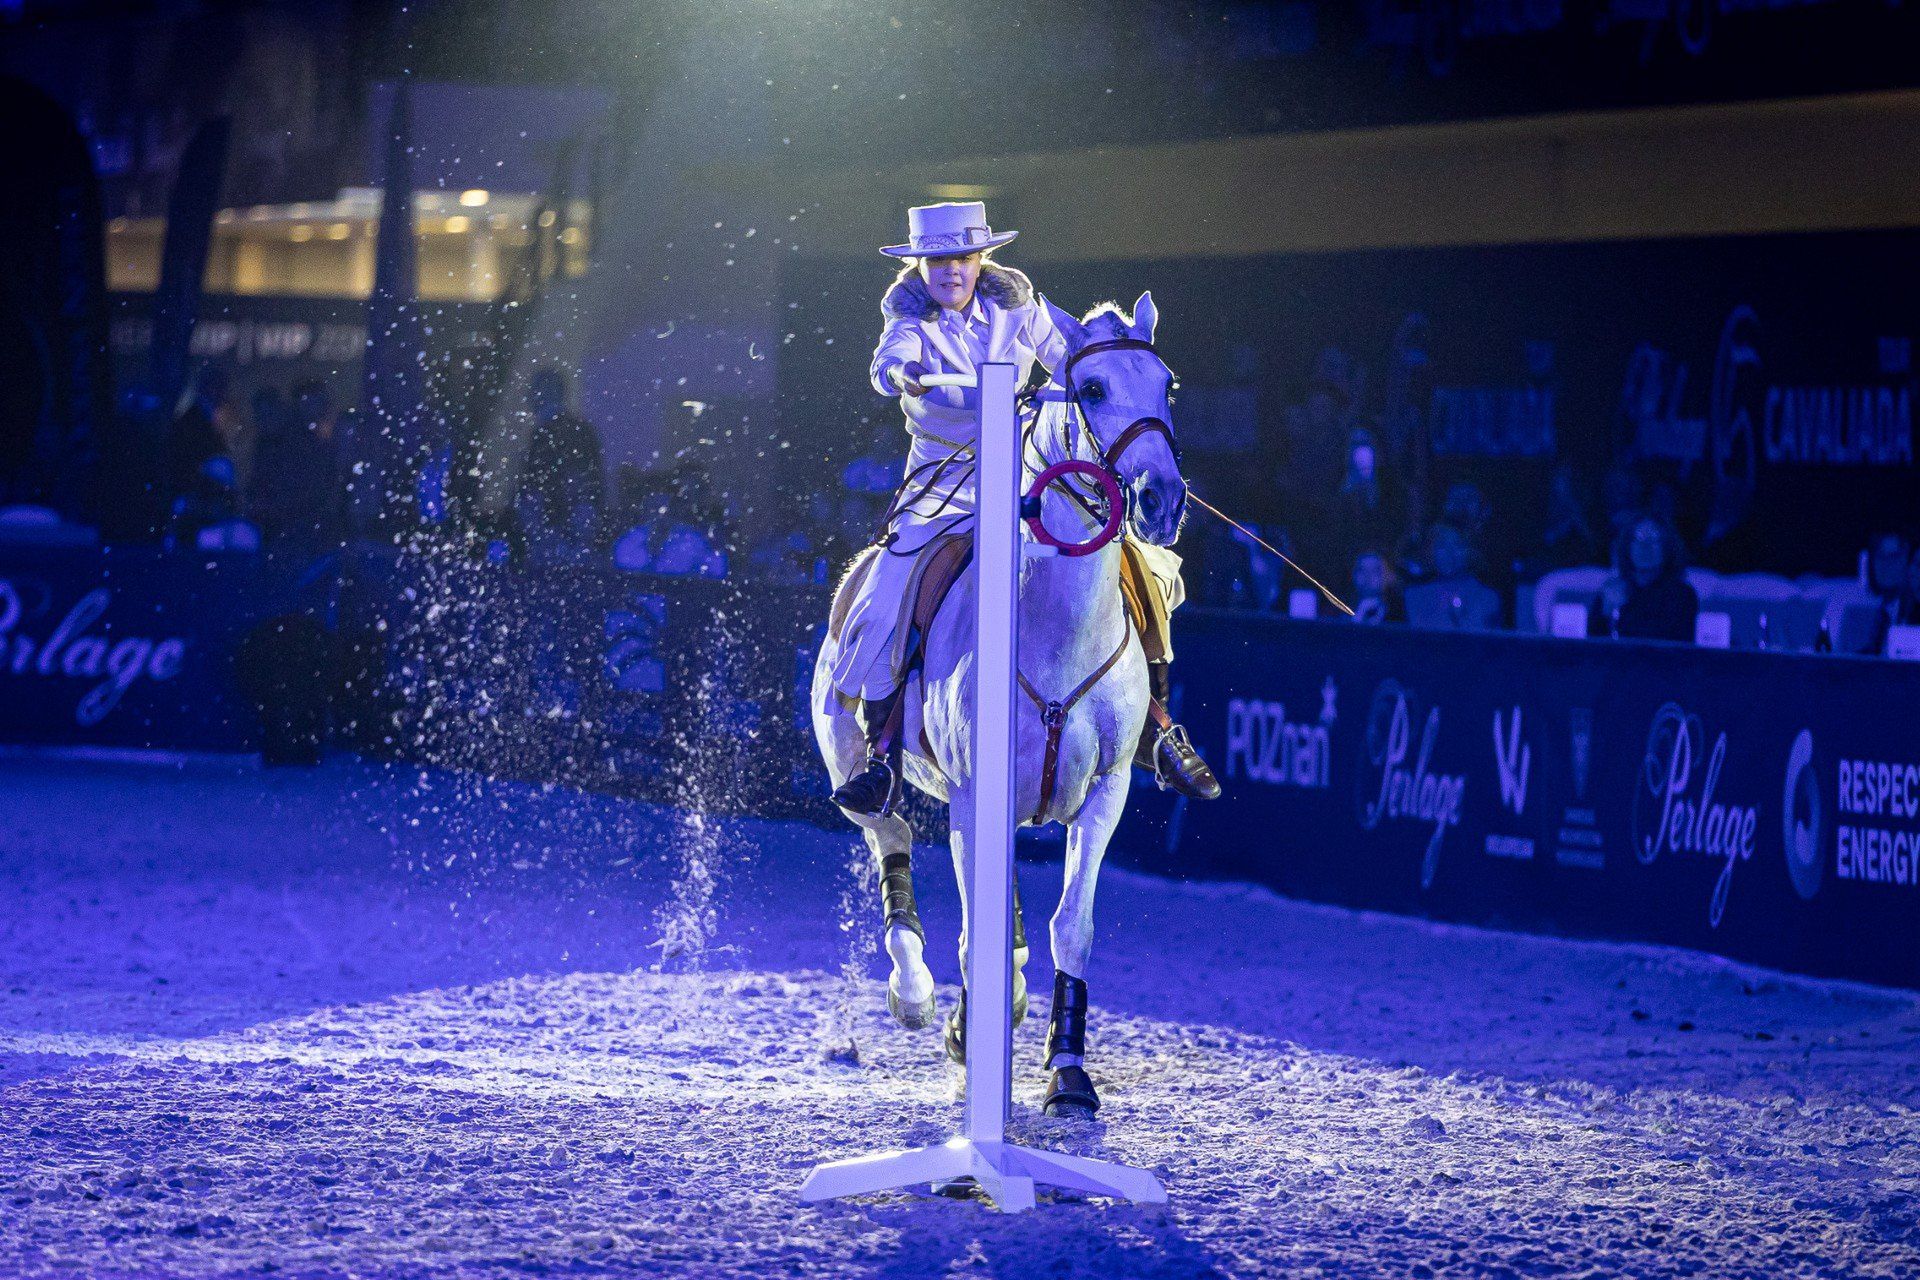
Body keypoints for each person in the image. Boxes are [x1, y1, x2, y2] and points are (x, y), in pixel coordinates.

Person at [827, 200, 1217, 815]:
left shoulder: (1016, 306)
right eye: (937, 261)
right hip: (944, 485)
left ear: (982, 259)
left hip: (1027, 475)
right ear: (921, 268)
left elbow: (1070, 359)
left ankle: (1159, 724)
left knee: (1142, 565)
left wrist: (1115, 366)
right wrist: (901, 371)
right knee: (888, 594)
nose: (951, 270)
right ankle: (881, 754)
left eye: (961, 257)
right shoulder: (907, 323)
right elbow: (886, 363)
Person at [518, 368, 607, 559]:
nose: (528, 398)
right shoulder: (580, 430)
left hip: (557, 535)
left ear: (543, 393)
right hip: (569, 533)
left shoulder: (545, 434)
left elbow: (536, 487)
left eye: (533, 390)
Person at [1591, 513, 1698, 643]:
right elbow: (1592, 642)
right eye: (1638, 539)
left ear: (1667, 547)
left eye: (1654, 540)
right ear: (1627, 547)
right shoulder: (1613, 589)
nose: (1645, 547)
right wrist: (1607, 612)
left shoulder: (1682, 595)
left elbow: (1672, 641)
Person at [1403, 523, 1501, 630]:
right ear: (1429, 551)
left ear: (1469, 550)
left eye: (1457, 544)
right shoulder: (1414, 597)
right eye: (1441, 545)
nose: (1450, 552)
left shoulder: (1488, 598)